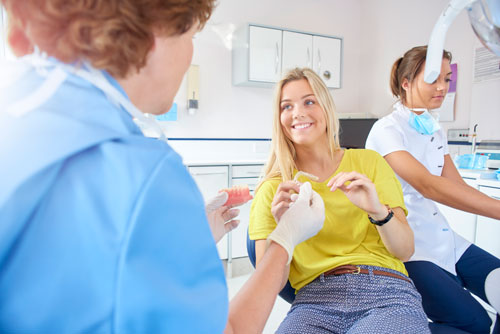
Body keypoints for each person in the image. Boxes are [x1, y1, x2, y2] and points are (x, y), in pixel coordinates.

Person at [0, 1, 326, 333]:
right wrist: (284, 241)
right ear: (155, 32)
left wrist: (186, 236)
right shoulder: (144, 173)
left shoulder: (20, 111)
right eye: (190, 35)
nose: (189, 55)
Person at [249, 67, 430, 334]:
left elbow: (404, 250)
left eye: (309, 101)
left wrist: (377, 211)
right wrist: (283, 230)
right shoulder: (274, 190)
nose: (298, 112)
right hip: (313, 302)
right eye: (287, 106)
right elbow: (270, 285)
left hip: (384, 291)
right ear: (279, 118)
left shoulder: (369, 163)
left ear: (326, 108)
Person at [366, 45, 500, 334]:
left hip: (443, 237)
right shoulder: (386, 130)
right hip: (408, 248)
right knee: (475, 323)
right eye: (433, 79)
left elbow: (456, 187)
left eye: (447, 79)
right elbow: (428, 185)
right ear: (406, 82)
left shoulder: (433, 128)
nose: (442, 87)